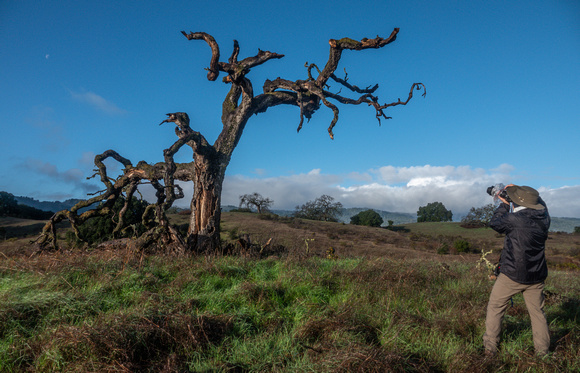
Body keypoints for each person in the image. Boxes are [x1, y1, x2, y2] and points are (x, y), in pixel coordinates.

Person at [483, 184, 551, 357]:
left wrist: (504, 203)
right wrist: (521, 194)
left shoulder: (514, 220)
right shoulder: (544, 218)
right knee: (538, 314)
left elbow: (495, 223)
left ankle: (490, 350)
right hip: (536, 275)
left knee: (495, 307)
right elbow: (539, 203)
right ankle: (543, 353)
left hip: (512, 275)